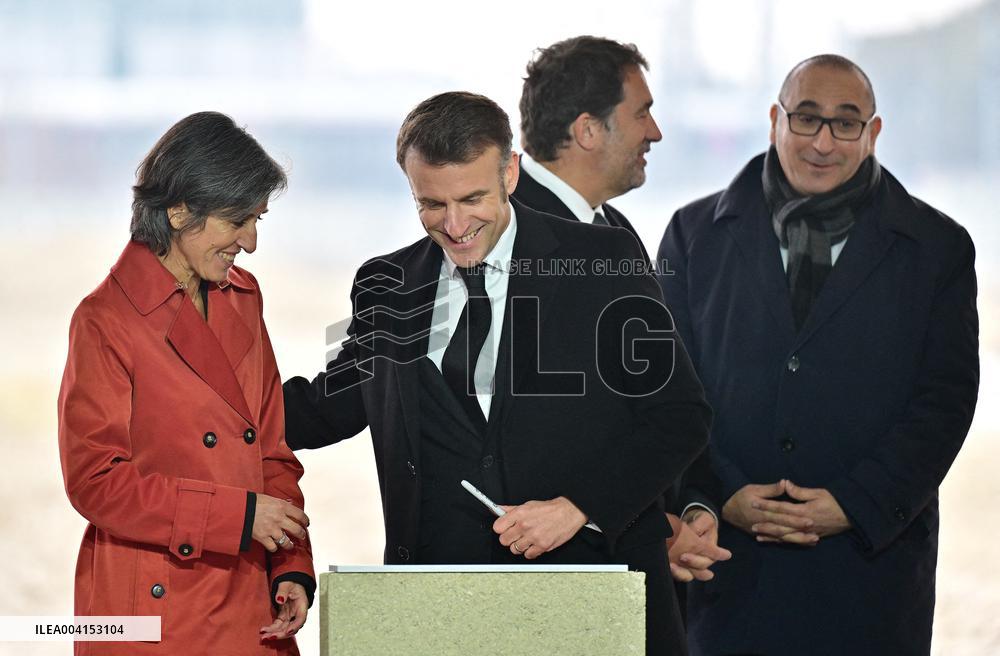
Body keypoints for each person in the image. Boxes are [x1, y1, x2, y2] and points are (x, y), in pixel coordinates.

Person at [283, 91, 712, 655]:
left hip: (595, 600)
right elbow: (323, 410)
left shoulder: (605, 262)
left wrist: (577, 507)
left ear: (510, 172)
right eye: (431, 204)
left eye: (472, 198)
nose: (455, 225)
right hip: (442, 613)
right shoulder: (386, 282)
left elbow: (680, 417)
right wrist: (187, 398)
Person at [656, 54, 979, 655]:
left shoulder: (938, 248)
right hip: (727, 569)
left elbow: (945, 400)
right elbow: (672, 389)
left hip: (868, 572)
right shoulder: (692, 234)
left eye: (846, 123)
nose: (824, 142)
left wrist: (854, 504)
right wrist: (721, 492)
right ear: (775, 120)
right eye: (806, 119)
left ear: (873, 132)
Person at [58, 112, 315, 655]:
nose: (249, 242)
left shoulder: (244, 299)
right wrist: (239, 517)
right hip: (152, 608)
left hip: (246, 597)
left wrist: (290, 564)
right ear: (178, 211)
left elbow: (270, 451)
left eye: (257, 220)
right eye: (236, 221)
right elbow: (95, 482)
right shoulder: (104, 320)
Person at [515, 34, 730, 585]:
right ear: (588, 130)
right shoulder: (504, 239)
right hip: (556, 582)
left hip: (629, 567)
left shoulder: (612, 229)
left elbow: (655, 403)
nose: (655, 132)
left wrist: (688, 513)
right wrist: (656, 528)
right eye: (643, 114)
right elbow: (524, 440)